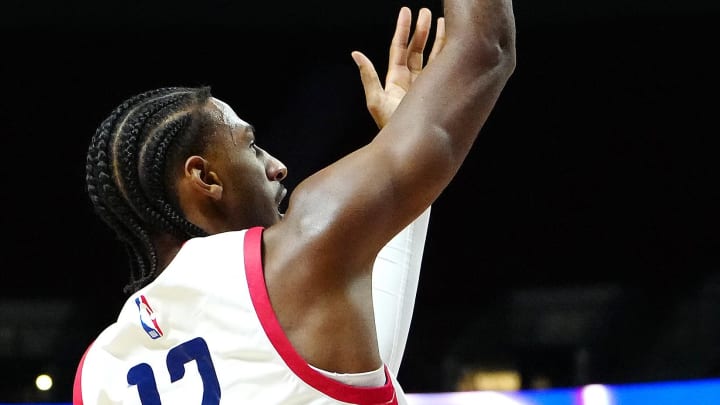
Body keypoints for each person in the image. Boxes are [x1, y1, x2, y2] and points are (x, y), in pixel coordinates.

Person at [73, 0, 516, 403]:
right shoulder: (299, 251)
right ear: (205, 177)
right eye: (250, 146)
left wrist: (404, 156)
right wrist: (411, 141)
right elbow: (486, 47)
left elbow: (365, 362)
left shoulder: (98, 373)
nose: (277, 165)